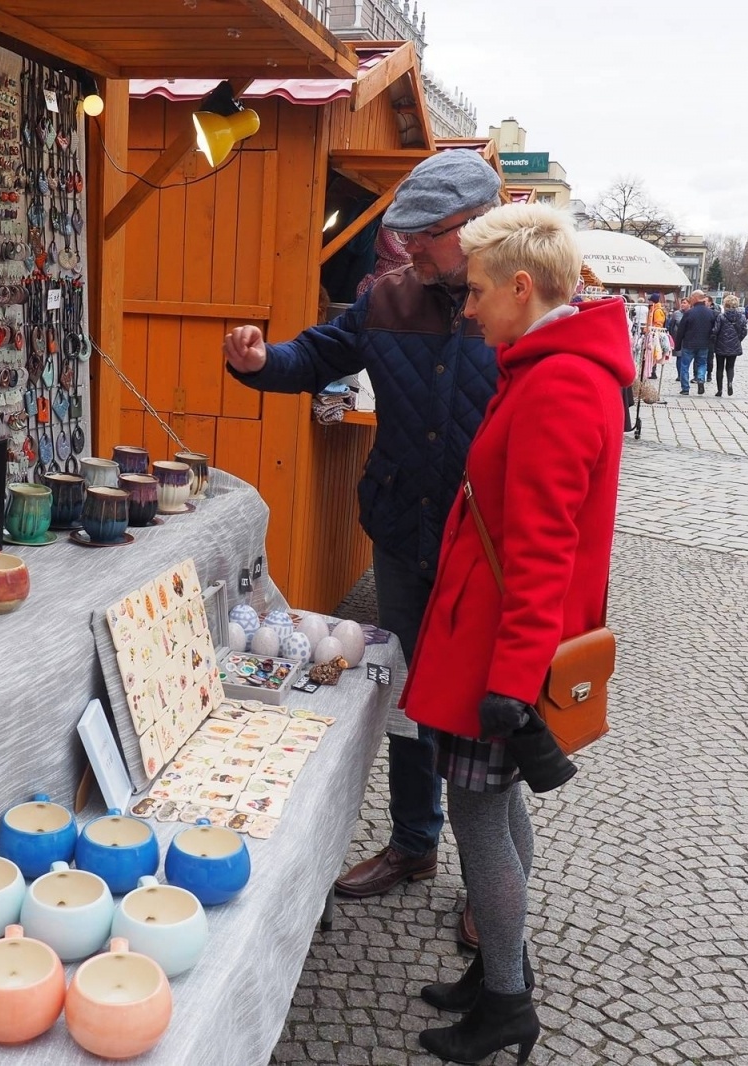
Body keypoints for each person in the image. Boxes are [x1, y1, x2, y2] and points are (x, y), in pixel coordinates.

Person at [222, 150, 502, 931]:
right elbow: (315, 356)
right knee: (410, 692)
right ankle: (415, 841)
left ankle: (492, 889)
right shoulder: (387, 298)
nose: (409, 249)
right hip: (402, 528)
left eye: (426, 236)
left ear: (478, 227)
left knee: (485, 710)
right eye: (404, 235)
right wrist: (258, 361)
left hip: (486, 549)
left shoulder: (522, 302)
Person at [402, 202, 630, 1064]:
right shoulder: (549, 364)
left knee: (479, 817)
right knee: (495, 810)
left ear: (523, 287)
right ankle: (504, 965)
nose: (466, 309)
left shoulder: (560, 380)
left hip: (504, 646)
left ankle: (507, 1005)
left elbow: (542, 549)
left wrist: (511, 676)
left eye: (478, 292)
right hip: (492, 634)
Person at [674, 290, 716, 394]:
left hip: (689, 344)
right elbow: (714, 329)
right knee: (702, 363)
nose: (690, 299)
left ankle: (685, 388)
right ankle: (701, 379)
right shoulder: (710, 313)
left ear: (696, 298)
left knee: (685, 366)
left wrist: (677, 345)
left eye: (691, 297)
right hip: (704, 344)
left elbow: (681, 330)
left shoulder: (689, 313)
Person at [712, 294, 748, 396]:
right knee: (730, 367)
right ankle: (730, 383)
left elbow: (715, 330)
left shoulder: (721, 316)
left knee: (720, 367)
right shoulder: (741, 317)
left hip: (721, 345)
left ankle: (719, 390)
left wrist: (715, 339)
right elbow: (744, 331)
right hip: (734, 345)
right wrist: (738, 340)